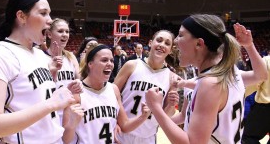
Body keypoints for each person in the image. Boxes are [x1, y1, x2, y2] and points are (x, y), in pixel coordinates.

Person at [145, 14, 267, 144]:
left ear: (199, 43)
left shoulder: (210, 83)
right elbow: (261, 75)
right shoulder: (228, 73)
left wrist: (156, 108)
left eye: (180, 35)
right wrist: (249, 45)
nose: (175, 41)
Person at [0, 0, 75, 143]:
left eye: (49, 14)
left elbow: (32, 99)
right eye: (43, 13)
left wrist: (53, 76)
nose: (50, 20)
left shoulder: (41, 56)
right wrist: (51, 104)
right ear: (21, 16)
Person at [62, 44, 151, 144]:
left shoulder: (113, 89)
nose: (110, 64)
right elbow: (65, 140)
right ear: (90, 64)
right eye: (104, 60)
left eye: (112, 61)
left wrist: (143, 117)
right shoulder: (76, 94)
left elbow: (125, 126)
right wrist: (71, 125)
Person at [114, 30, 179, 144]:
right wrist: (112, 122)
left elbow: (166, 115)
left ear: (170, 50)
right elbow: (112, 95)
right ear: (150, 43)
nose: (162, 45)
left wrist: (171, 105)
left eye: (167, 43)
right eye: (159, 40)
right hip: (122, 133)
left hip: (148, 137)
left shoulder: (171, 77)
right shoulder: (132, 65)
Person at [45, 18, 82, 124]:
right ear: (49, 34)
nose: (65, 34)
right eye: (60, 31)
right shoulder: (41, 57)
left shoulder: (71, 57)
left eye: (67, 31)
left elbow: (79, 81)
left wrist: (79, 83)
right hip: (50, 114)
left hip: (69, 113)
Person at [242, 55, 270, 144]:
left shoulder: (267, 60)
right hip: (265, 108)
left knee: (248, 136)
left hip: (265, 108)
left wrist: (239, 96)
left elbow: (256, 82)